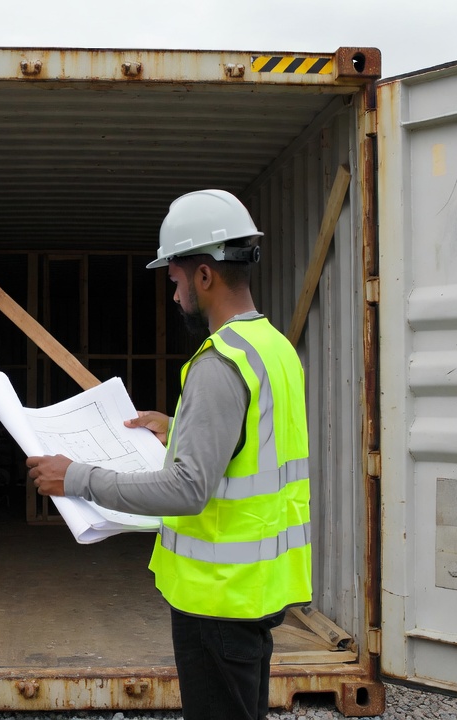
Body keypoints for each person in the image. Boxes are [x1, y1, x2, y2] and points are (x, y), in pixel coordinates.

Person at [26, 189, 312, 720]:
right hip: (253, 593)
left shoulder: (218, 364)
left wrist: (78, 477)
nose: (173, 291)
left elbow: (187, 489)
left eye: (175, 277)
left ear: (204, 275)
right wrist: (178, 425)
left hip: (217, 601)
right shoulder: (273, 348)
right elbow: (253, 442)